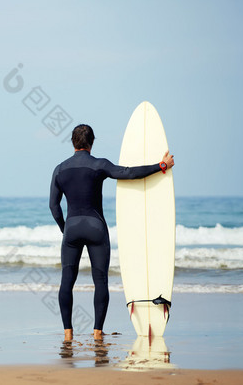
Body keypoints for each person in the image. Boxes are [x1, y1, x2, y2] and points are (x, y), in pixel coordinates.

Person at [49, 124, 174, 342]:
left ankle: (68, 333)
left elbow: (54, 206)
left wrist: (64, 229)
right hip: (96, 228)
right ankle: (97, 332)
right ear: (92, 142)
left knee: (67, 281)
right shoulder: (99, 164)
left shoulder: (59, 169)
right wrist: (161, 165)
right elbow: (129, 173)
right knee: (100, 281)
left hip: (72, 229)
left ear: (73, 142)